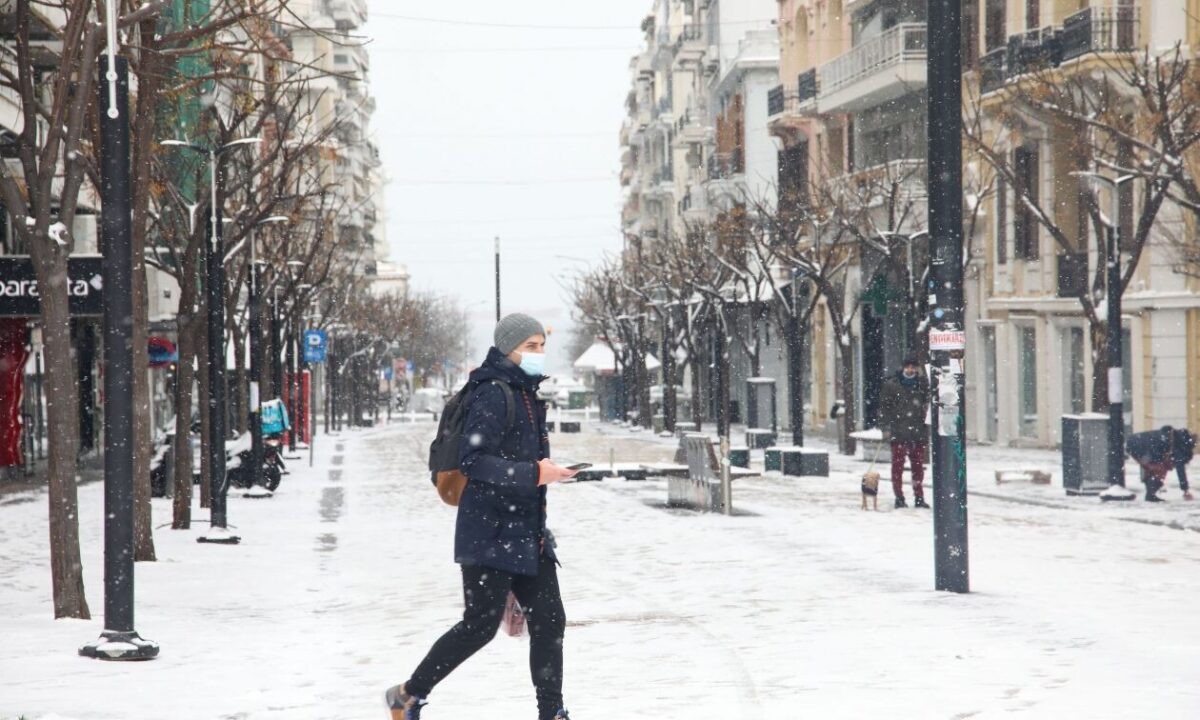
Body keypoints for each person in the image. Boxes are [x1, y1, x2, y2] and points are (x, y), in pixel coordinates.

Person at [385, 313, 576, 720]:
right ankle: (408, 695)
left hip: (527, 529)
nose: (539, 354)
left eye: (542, 346)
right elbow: (474, 461)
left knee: (550, 620)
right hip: (489, 532)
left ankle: (552, 712)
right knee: (479, 626)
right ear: (508, 348)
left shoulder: (526, 392)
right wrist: (536, 473)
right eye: (530, 346)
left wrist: (545, 474)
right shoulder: (493, 391)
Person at [878, 356, 930, 509]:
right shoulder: (892, 385)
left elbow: (927, 406)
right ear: (903, 368)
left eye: (913, 367)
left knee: (918, 468)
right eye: (908, 366)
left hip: (917, 433)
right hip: (899, 432)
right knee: (897, 467)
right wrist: (886, 428)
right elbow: (884, 409)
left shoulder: (922, 385)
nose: (910, 370)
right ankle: (899, 497)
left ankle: (919, 496)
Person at [1126, 426, 1195, 502]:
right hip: (1141, 446)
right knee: (1160, 469)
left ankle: (1151, 493)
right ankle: (1150, 495)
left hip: (1134, 442)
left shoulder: (1173, 437)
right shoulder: (1179, 448)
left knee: (1153, 469)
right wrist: (1185, 489)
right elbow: (1180, 469)